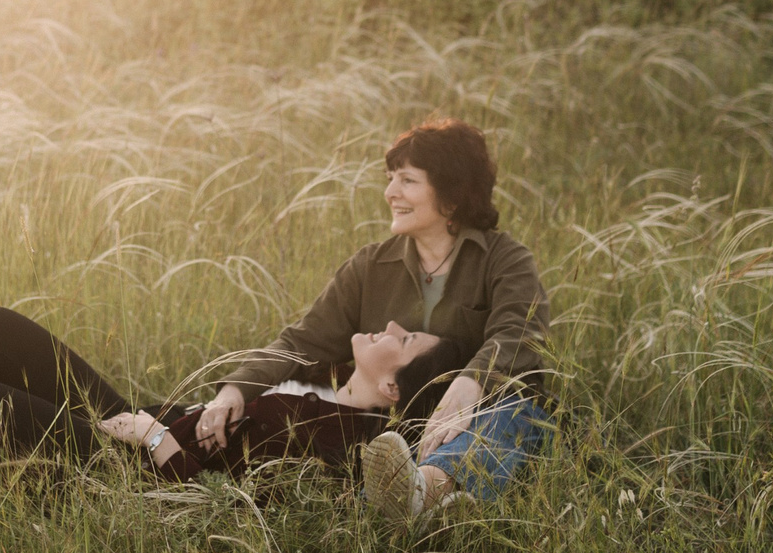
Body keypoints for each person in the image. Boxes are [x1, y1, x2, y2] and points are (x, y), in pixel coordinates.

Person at [196, 119, 553, 528]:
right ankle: (430, 511)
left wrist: (471, 382)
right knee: (379, 446)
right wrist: (235, 388)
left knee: (509, 414)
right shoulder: (370, 265)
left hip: (491, 412)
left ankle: (419, 496)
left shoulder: (505, 259)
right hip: (399, 428)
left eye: (407, 180)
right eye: (390, 179)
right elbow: (302, 341)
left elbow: (521, 331)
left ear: (451, 197)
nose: (390, 193)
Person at [0, 305, 466, 491]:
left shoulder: (339, 438)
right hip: (150, 419)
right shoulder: (317, 389)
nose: (392, 326)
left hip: (138, 472)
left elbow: (239, 506)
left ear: (392, 387)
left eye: (404, 340)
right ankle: (4, 477)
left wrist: (152, 442)